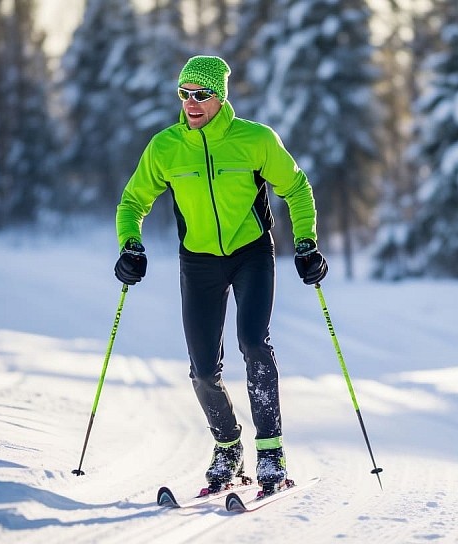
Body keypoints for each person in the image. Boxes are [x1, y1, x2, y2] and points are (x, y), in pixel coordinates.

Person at [113, 55, 328, 494]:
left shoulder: (255, 140)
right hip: (199, 261)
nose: (191, 103)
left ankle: (271, 452)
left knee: (254, 342)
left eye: (201, 94)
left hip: (250, 254)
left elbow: (297, 187)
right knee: (203, 369)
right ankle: (229, 446)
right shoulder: (166, 147)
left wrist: (305, 241)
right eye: (184, 93)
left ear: (219, 97)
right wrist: (130, 244)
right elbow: (132, 202)